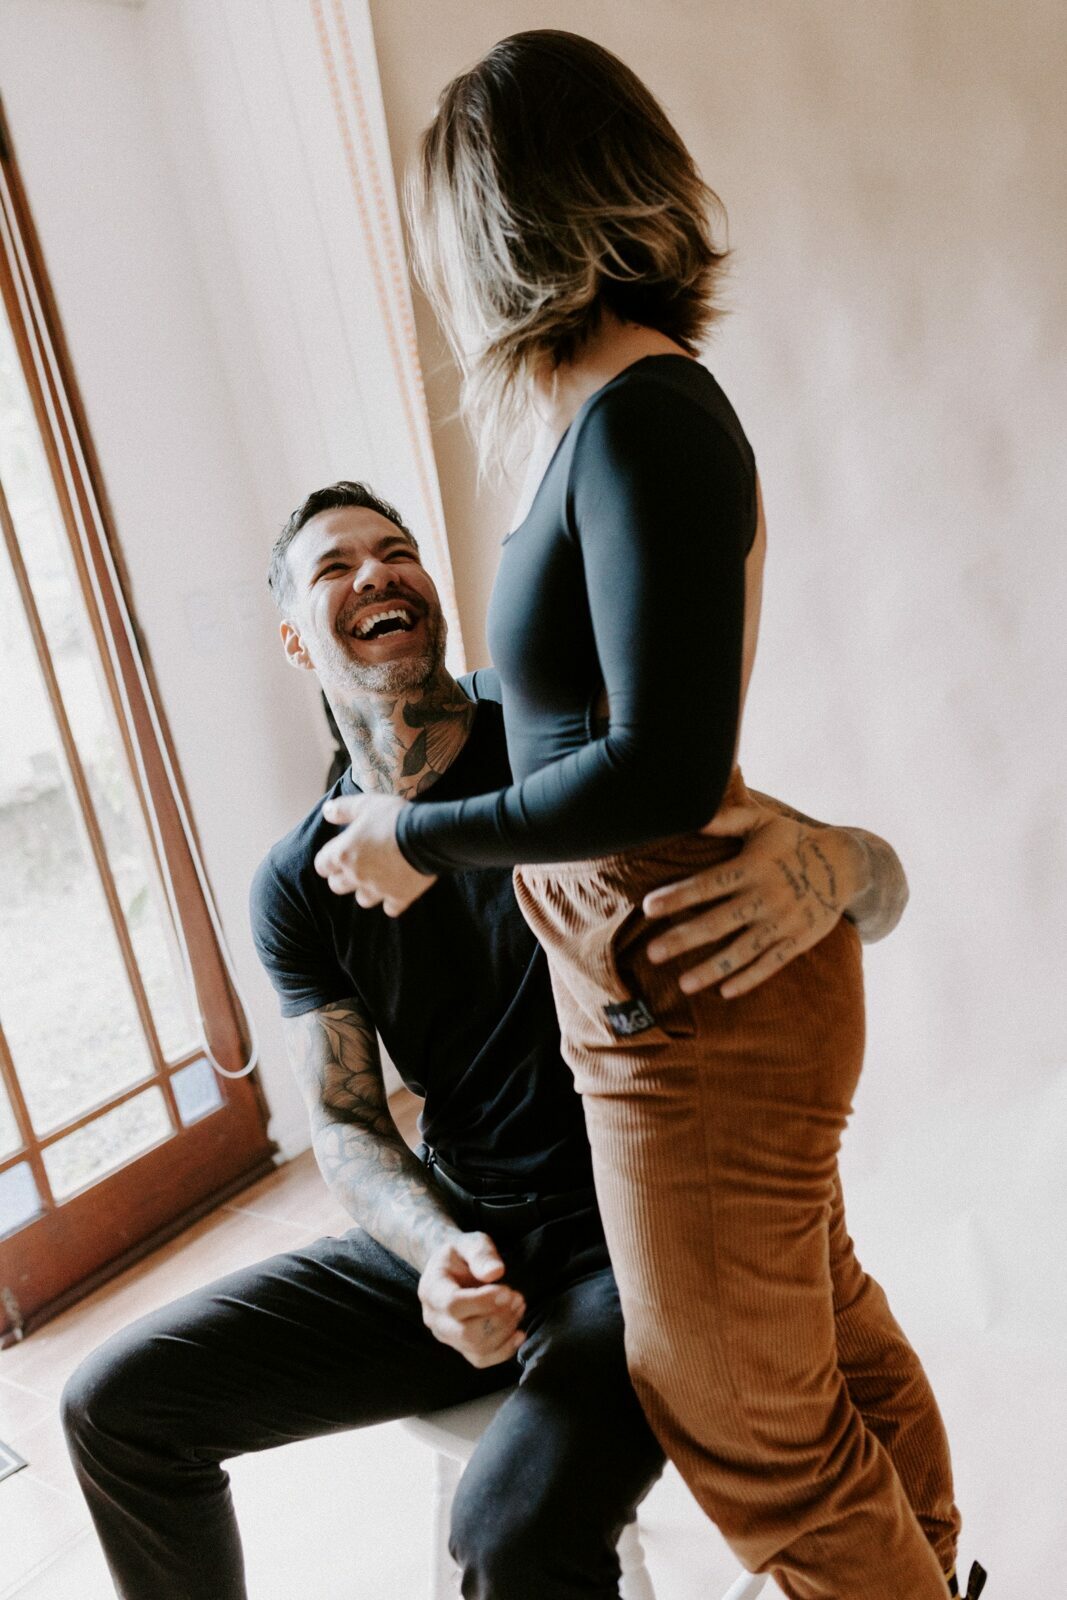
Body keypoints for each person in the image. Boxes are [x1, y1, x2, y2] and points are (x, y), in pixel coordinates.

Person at [312, 32, 984, 1600]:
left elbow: (660, 771)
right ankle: (937, 1574)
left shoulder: (643, 419)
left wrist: (416, 842)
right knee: (816, 1337)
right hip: (659, 980)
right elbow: (591, 725)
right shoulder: (601, 421)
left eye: (437, 232)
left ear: (499, 224)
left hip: (683, 986)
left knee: (754, 1436)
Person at [62, 481, 921, 1600]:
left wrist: (840, 867)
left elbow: (875, 879)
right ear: (293, 639)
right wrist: (433, 1253)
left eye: (396, 551)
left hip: (640, 1237)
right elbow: (346, 1120)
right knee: (114, 1407)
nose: (375, 572)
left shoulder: (561, 755)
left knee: (508, 1533)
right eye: (334, 566)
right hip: (466, 1228)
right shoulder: (297, 881)